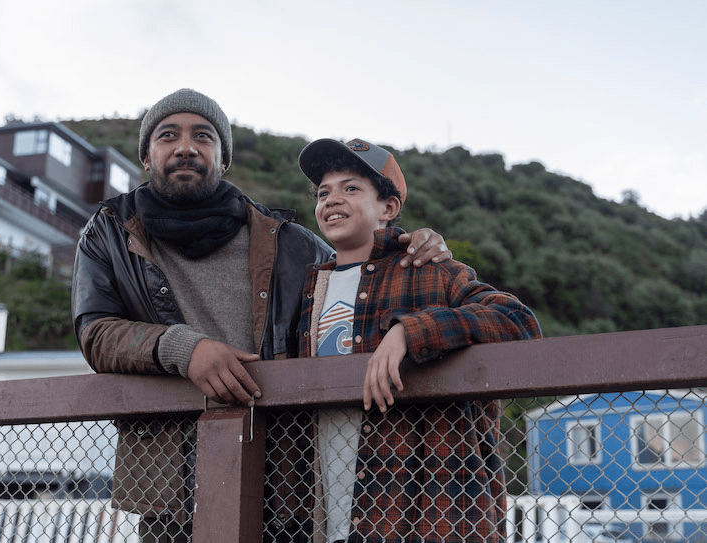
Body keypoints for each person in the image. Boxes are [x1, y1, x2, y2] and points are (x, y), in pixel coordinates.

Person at [70, 89, 454, 542]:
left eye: (204, 136)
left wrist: (415, 245)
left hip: (281, 472)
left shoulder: (293, 243)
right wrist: (184, 349)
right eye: (168, 135)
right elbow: (95, 333)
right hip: (168, 476)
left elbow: (360, 285)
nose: (186, 146)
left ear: (223, 157)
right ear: (148, 158)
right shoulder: (109, 232)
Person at [295, 138, 542, 543]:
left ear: (388, 209)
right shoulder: (308, 288)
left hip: (425, 511)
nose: (332, 199)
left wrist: (411, 331)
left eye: (351, 188)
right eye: (324, 192)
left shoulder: (429, 268)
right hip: (328, 514)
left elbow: (517, 321)